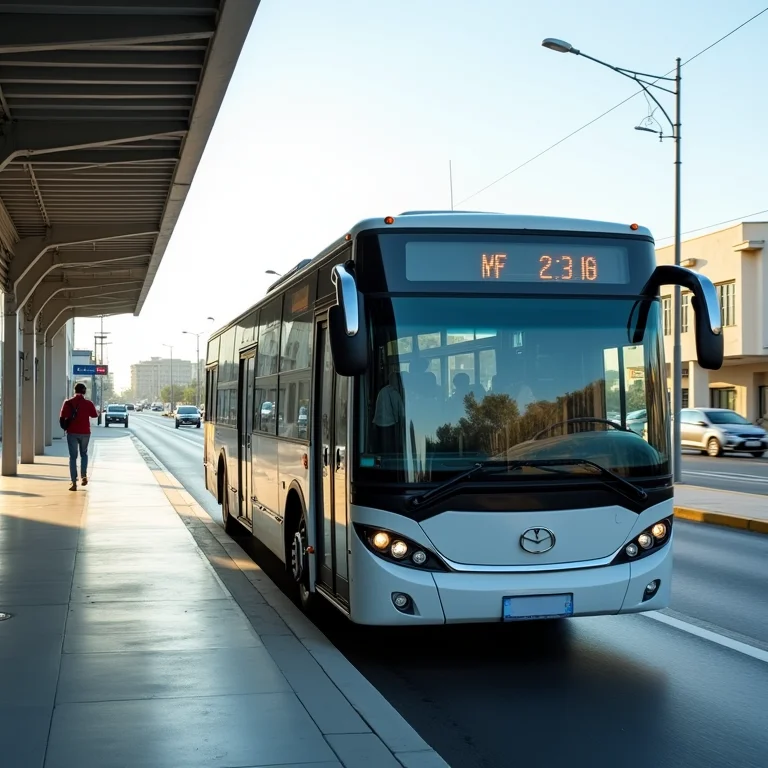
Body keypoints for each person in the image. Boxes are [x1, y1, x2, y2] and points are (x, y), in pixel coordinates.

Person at [60, 382, 98, 491]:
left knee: (73, 457)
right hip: (85, 432)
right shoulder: (88, 403)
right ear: (84, 391)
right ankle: (84, 476)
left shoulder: (68, 403)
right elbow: (94, 415)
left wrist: (66, 428)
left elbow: (62, 417)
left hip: (72, 432)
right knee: (84, 454)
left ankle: (73, 482)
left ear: (74, 390)